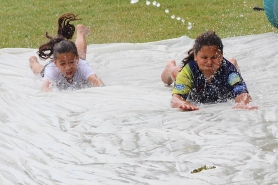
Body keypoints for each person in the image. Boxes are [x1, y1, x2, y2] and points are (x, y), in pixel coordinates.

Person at [161, 31, 258, 111]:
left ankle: (233, 62)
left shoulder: (228, 70)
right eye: (204, 57)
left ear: (221, 56)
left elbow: (242, 92)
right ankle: (170, 66)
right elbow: (175, 99)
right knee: (176, 72)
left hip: (227, 74)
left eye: (214, 57)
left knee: (233, 72)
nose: (209, 62)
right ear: (195, 56)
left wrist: (243, 102)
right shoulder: (190, 70)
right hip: (185, 76)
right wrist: (182, 102)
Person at [29, 13, 104, 92]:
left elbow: (96, 80)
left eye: (71, 62)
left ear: (77, 60)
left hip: (77, 59)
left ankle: (81, 32)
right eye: (62, 64)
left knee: (81, 55)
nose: (68, 67)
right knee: (40, 70)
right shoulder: (51, 69)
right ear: (55, 63)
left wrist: (103, 90)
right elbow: (46, 87)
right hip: (50, 67)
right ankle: (33, 61)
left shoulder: (81, 65)